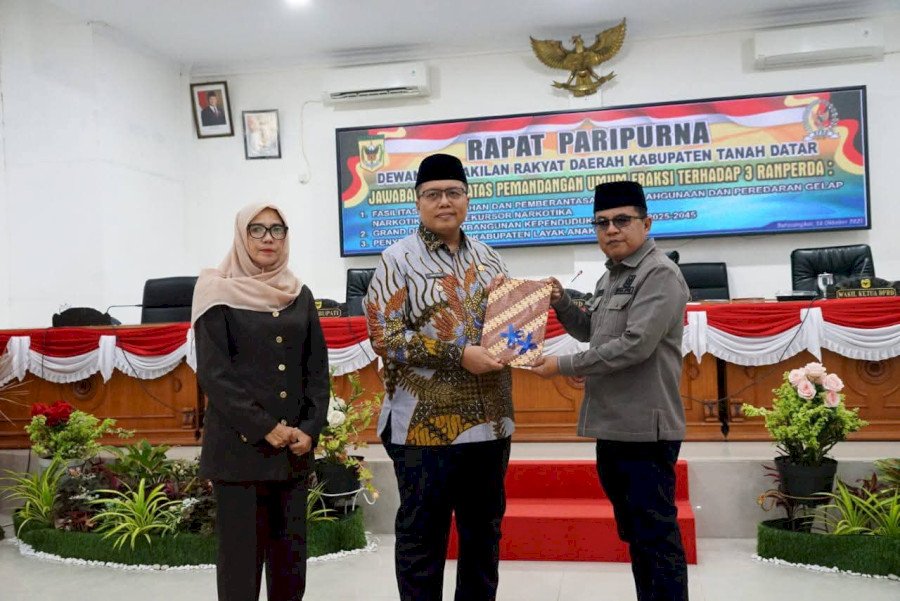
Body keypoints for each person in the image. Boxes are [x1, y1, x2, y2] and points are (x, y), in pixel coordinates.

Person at [363, 153, 513, 601]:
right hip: (423, 429)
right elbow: (384, 336)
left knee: (483, 537)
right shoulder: (396, 259)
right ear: (418, 202)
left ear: (467, 198)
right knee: (422, 540)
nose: (444, 201)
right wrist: (457, 355)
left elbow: (508, 325)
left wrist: (527, 340)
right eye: (433, 194)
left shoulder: (490, 258)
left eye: (453, 192)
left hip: (490, 424)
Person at [531, 181, 690, 601]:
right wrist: (561, 301)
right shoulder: (612, 275)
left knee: (656, 540)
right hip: (613, 425)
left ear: (646, 223)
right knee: (638, 537)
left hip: (645, 429)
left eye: (622, 220)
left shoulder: (658, 273)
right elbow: (592, 331)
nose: (611, 230)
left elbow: (636, 345)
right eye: (602, 223)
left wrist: (562, 366)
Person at [191, 203, 329, 601]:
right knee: (240, 568)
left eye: (277, 229)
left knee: (290, 567)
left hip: (292, 452)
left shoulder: (299, 293)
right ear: (241, 235)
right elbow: (214, 375)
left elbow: (316, 369)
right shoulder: (215, 291)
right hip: (239, 454)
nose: (268, 238)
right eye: (257, 229)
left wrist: (310, 428)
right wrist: (265, 427)